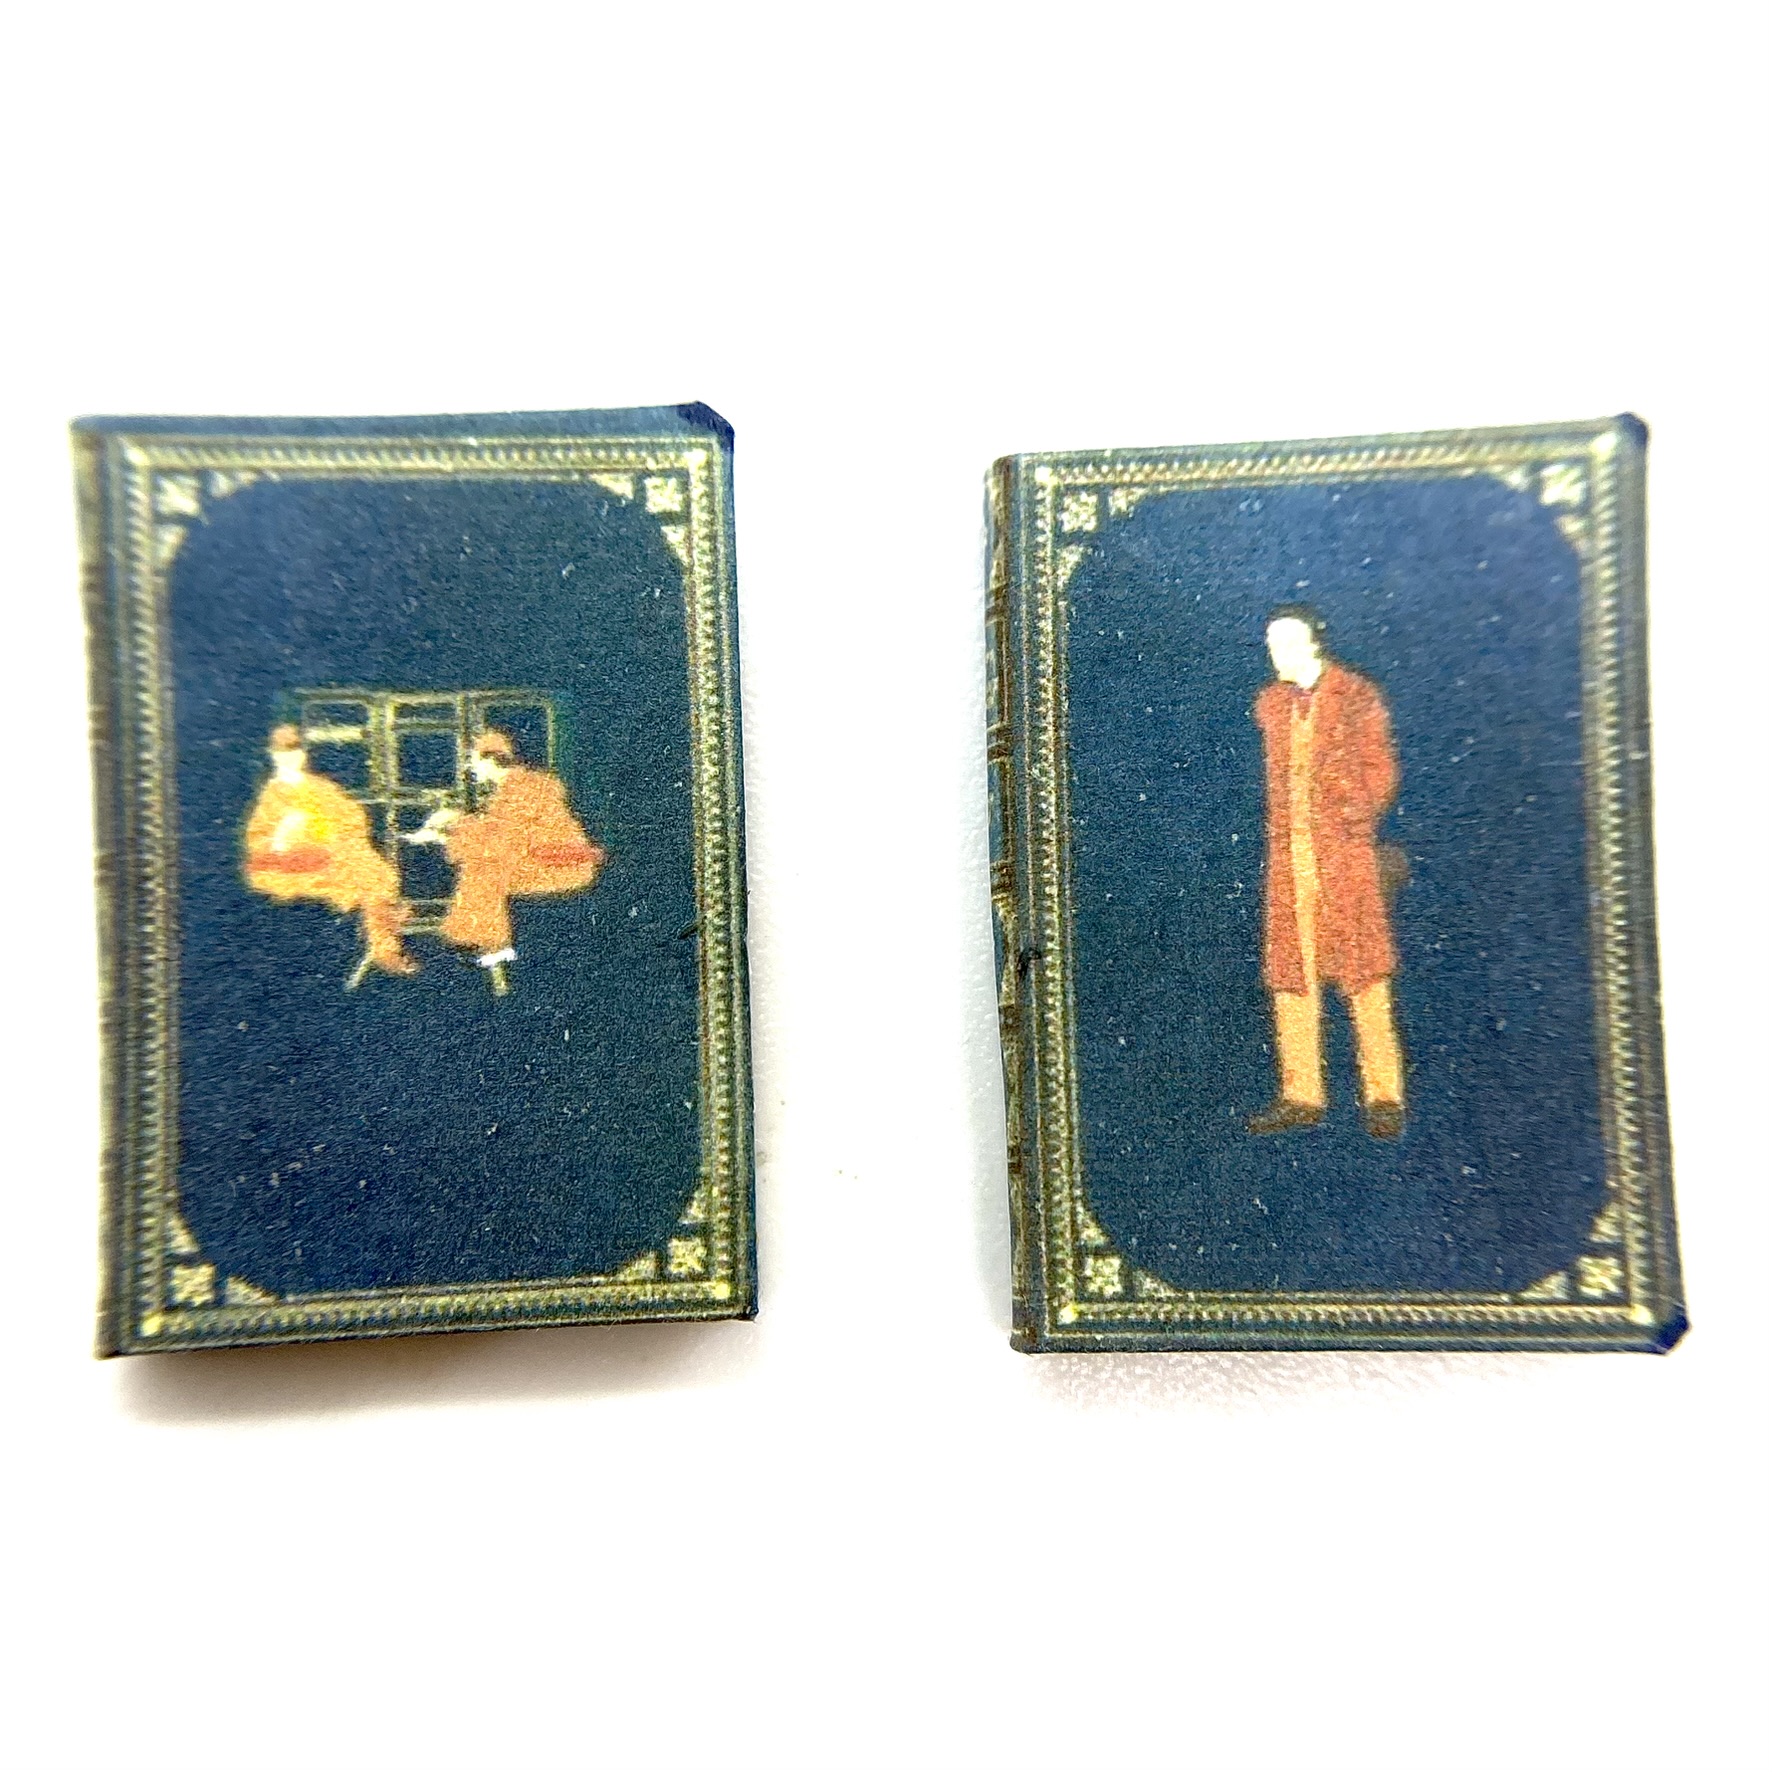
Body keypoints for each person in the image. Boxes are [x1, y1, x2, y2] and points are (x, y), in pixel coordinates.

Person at [1247, 606, 1406, 1139]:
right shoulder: (1272, 704)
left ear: (1314, 644)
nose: (1275, 653)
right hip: (1290, 860)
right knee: (1293, 973)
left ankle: (1384, 1097)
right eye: (1271, 643)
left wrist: (1343, 811)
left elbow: (1380, 774)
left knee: (1363, 970)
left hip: (1343, 857)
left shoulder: (1357, 695)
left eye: (1285, 643)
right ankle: (1301, 1094)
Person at [407, 729, 607, 994]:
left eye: (473, 759)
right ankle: (490, 944)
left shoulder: (525, 786)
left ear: (491, 759)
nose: (470, 767)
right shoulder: (513, 786)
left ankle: (490, 942)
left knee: (485, 866)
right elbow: (498, 831)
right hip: (538, 858)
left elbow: (502, 837)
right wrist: (452, 826)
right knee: (483, 864)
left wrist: (449, 829)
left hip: (559, 865)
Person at [243, 723, 417, 983]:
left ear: (302, 755)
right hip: (296, 859)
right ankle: (386, 937)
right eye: (283, 755)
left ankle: (385, 940)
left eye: (295, 753)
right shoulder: (272, 795)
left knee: (366, 865)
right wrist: (286, 834)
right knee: (364, 872)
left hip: (334, 849)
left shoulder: (321, 787)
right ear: (274, 757)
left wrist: (331, 832)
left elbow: (353, 817)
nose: (290, 759)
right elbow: (261, 842)